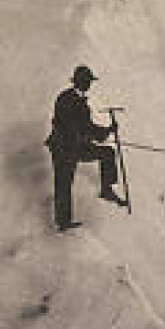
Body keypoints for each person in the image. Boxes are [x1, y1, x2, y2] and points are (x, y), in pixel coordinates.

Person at [45, 65, 126, 231]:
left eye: (90, 81)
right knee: (64, 183)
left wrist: (107, 130)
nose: (89, 85)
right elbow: (65, 124)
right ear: (79, 82)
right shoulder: (65, 98)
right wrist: (82, 135)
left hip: (77, 146)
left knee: (107, 153)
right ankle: (63, 222)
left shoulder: (81, 100)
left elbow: (88, 126)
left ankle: (106, 189)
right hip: (62, 148)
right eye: (87, 81)